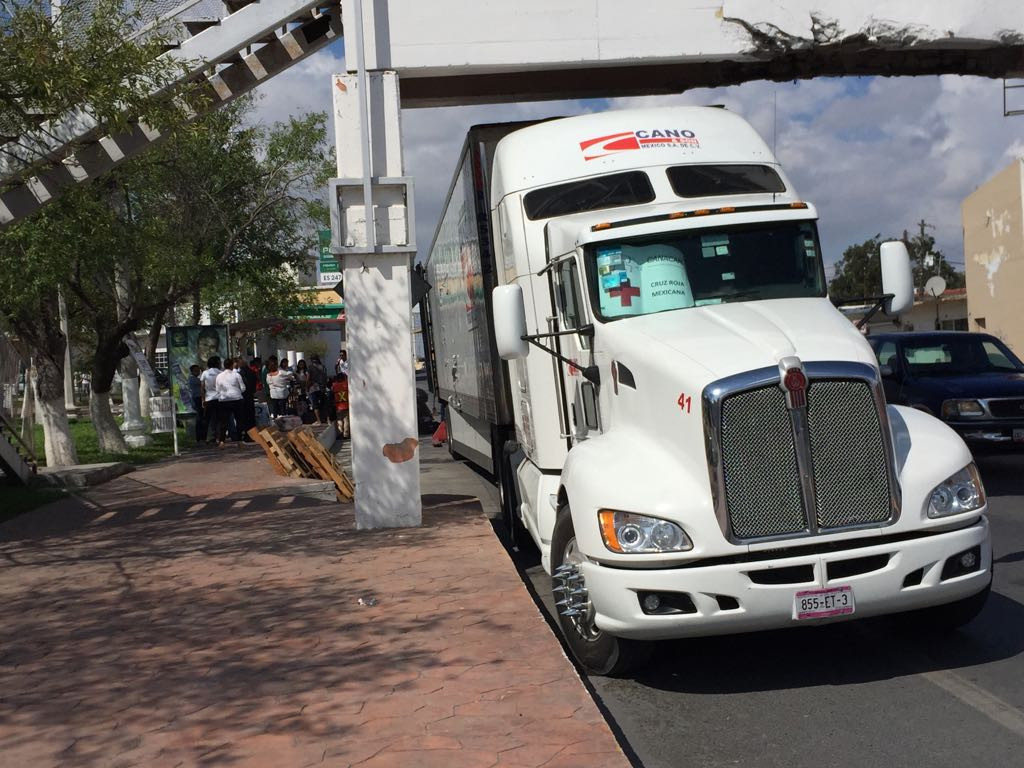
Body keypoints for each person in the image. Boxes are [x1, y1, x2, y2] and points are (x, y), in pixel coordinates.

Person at [214, 358, 246, 446]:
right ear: (232, 365)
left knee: (223, 421)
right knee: (239, 420)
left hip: (224, 400)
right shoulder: (237, 375)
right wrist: (238, 391)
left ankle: (222, 441)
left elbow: (217, 389)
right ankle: (239, 440)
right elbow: (243, 388)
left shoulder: (219, 376)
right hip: (237, 399)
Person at [199, 356, 222, 446]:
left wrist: (203, 399)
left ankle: (206, 438)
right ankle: (218, 438)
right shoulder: (221, 373)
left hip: (209, 399)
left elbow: (202, 388)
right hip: (220, 399)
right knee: (219, 419)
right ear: (217, 363)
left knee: (208, 419)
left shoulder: (205, 373)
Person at [238, 356, 258, 439]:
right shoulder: (252, 372)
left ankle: (244, 434)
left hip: (242, 397)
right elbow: (254, 384)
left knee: (243, 416)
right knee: (251, 416)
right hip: (250, 396)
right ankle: (252, 434)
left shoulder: (240, 374)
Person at [308, 354, 329, 425]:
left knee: (315, 405)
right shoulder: (322, 366)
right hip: (322, 387)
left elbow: (308, 378)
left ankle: (319, 421)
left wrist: (306, 387)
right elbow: (326, 377)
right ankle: (328, 420)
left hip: (313, 388)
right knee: (324, 404)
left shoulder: (310, 367)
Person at [187, 365, 204, 440]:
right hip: (197, 399)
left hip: (199, 398)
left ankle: (202, 435)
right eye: (196, 370)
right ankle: (199, 437)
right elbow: (203, 382)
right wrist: (203, 372)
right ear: (192, 371)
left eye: (198, 370)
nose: (198, 372)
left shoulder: (195, 378)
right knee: (199, 418)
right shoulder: (192, 379)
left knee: (201, 418)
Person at [332, 371, 350, 438]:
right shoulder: (347, 384)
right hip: (346, 405)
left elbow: (332, 393)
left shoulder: (334, 386)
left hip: (338, 406)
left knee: (339, 420)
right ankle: (346, 434)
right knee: (346, 421)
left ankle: (340, 433)